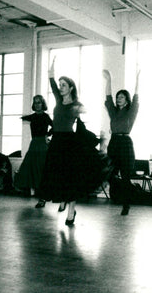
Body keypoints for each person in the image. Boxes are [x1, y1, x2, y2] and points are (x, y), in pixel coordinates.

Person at [37, 61, 105, 225]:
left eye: (64, 85)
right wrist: (51, 73)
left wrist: (81, 112)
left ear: (71, 88)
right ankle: (62, 200)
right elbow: (52, 85)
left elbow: (85, 114)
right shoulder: (59, 100)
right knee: (54, 174)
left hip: (68, 142)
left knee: (70, 178)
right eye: (60, 85)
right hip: (56, 142)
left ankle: (71, 212)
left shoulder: (76, 104)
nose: (60, 88)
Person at [103, 67, 140, 216]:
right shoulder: (113, 111)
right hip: (114, 143)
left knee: (125, 176)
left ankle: (126, 204)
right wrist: (109, 80)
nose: (118, 99)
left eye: (121, 97)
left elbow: (137, 97)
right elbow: (108, 97)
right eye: (118, 97)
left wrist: (137, 79)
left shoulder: (131, 111)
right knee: (110, 174)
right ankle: (118, 196)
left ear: (126, 100)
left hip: (125, 143)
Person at [15, 94, 52, 205]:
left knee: (41, 171)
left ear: (43, 103)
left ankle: (43, 198)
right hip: (34, 144)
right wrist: (23, 117)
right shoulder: (32, 117)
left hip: (42, 145)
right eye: (35, 102)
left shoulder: (45, 116)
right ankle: (39, 196)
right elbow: (26, 117)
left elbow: (54, 126)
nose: (37, 105)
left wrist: (47, 135)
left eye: (39, 102)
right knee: (30, 169)